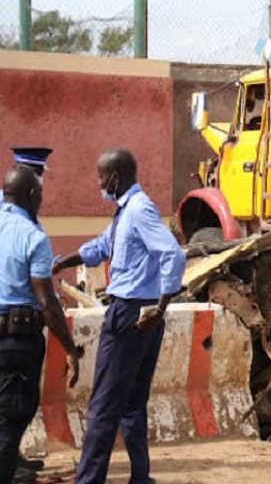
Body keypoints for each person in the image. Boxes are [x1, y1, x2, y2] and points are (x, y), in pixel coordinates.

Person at [53, 148, 186, 484]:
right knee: (131, 405)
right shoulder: (125, 214)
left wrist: (161, 307)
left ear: (115, 177)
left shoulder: (139, 210)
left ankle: (89, 480)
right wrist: (61, 263)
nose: (99, 183)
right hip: (140, 315)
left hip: (130, 315)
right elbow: (100, 248)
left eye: (101, 177)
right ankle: (141, 477)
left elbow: (172, 253)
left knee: (103, 405)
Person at [0, 166, 80, 484]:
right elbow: (46, 302)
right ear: (32, 196)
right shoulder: (34, 237)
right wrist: (71, 349)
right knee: (9, 419)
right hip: (16, 342)